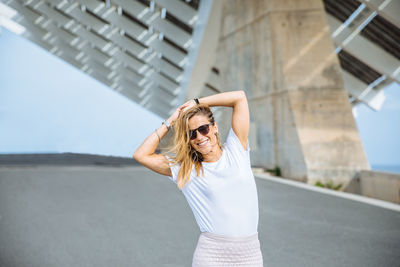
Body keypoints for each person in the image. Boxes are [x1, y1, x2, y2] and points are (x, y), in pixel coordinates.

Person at [133, 90, 263, 266]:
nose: (199, 137)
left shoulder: (237, 149)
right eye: (191, 134)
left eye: (203, 129)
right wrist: (171, 121)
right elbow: (141, 155)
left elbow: (239, 97)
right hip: (212, 255)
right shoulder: (185, 169)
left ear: (214, 127)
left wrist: (196, 102)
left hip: (250, 254)